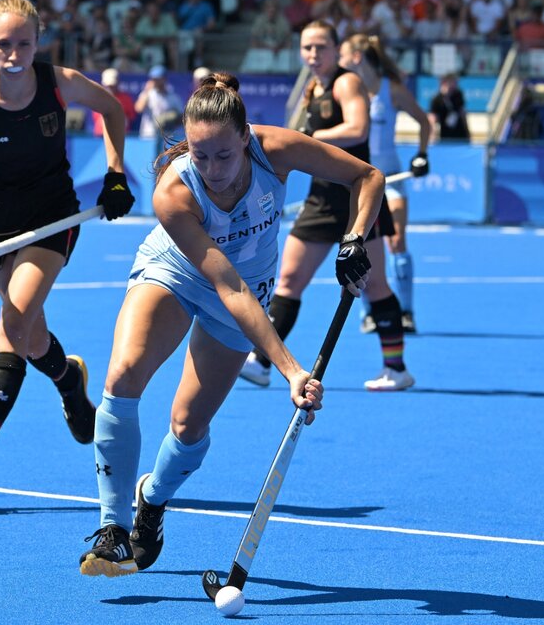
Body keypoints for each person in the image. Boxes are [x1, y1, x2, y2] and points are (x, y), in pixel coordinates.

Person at [78, 71, 384, 577]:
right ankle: (113, 529)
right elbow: (228, 287)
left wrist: (354, 237)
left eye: (224, 155)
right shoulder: (173, 194)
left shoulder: (275, 150)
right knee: (123, 374)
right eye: (199, 156)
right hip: (177, 271)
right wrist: (290, 370)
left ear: (245, 138)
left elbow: (367, 177)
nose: (213, 169)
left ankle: (151, 500)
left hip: (249, 282)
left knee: (189, 425)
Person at [0, 0, 136, 499]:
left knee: (15, 321)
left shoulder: (58, 83)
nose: (14, 52)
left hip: (55, 218)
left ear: (37, 42)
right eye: (3, 43)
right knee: (30, 337)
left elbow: (112, 109)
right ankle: (69, 381)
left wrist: (114, 171)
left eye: (24, 42)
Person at [239, 20, 415, 392]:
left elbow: (358, 129)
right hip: (321, 200)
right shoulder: (311, 87)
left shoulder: (346, 82)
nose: (313, 54)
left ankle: (396, 368)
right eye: (307, 48)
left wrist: (309, 139)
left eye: (321, 47)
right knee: (288, 280)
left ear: (336, 50)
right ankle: (262, 362)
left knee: (374, 285)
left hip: (356, 199)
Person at [338, 34, 431, 335]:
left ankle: (406, 311)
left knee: (397, 240)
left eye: (342, 55)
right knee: (360, 244)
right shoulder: (347, 91)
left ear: (356, 58)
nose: (338, 61)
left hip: (391, 178)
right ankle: (368, 312)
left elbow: (424, 121)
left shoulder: (393, 90)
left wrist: (422, 154)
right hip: (362, 180)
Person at [134, 65, 184, 141]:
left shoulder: (173, 97)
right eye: (153, 79)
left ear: (164, 79)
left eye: (158, 79)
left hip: (167, 138)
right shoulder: (148, 94)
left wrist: (171, 118)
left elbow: (182, 117)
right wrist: (147, 91)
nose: (155, 81)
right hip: (148, 136)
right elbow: (138, 108)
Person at [92, 67, 136, 137]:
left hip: (120, 136)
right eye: (108, 85)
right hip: (100, 136)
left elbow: (131, 117)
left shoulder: (126, 98)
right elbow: (96, 117)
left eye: (112, 85)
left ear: (117, 83)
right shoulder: (98, 98)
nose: (110, 87)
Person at [429, 74, 470, 142]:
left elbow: (463, 115)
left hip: (461, 135)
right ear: (445, 83)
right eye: (454, 82)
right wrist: (433, 135)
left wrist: (468, 133)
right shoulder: (436, 99)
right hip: (445, 137)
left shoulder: (458, 95)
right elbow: (433, 119)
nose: (456, 84)